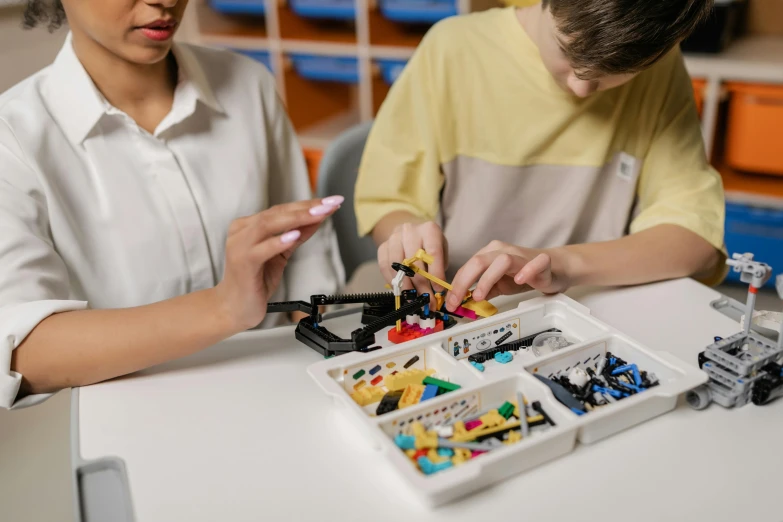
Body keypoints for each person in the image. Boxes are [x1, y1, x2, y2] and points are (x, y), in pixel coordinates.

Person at [0, 0, 345, 409]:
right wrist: (223, 308)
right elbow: (24, 350)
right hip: (137, 407)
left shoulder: (249, 84)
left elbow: (308, 263)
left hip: (282, 379)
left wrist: (323, 361)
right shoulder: (14, 137)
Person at [354, 0, 726, 313]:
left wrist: (562, 265)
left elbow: (696, 240)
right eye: (567, 50)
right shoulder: (451, 51)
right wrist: (406, 236)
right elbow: (389, 200)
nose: (581, 89)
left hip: (583, 307)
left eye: (617, 73)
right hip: (460, 305)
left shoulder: (658, 63)